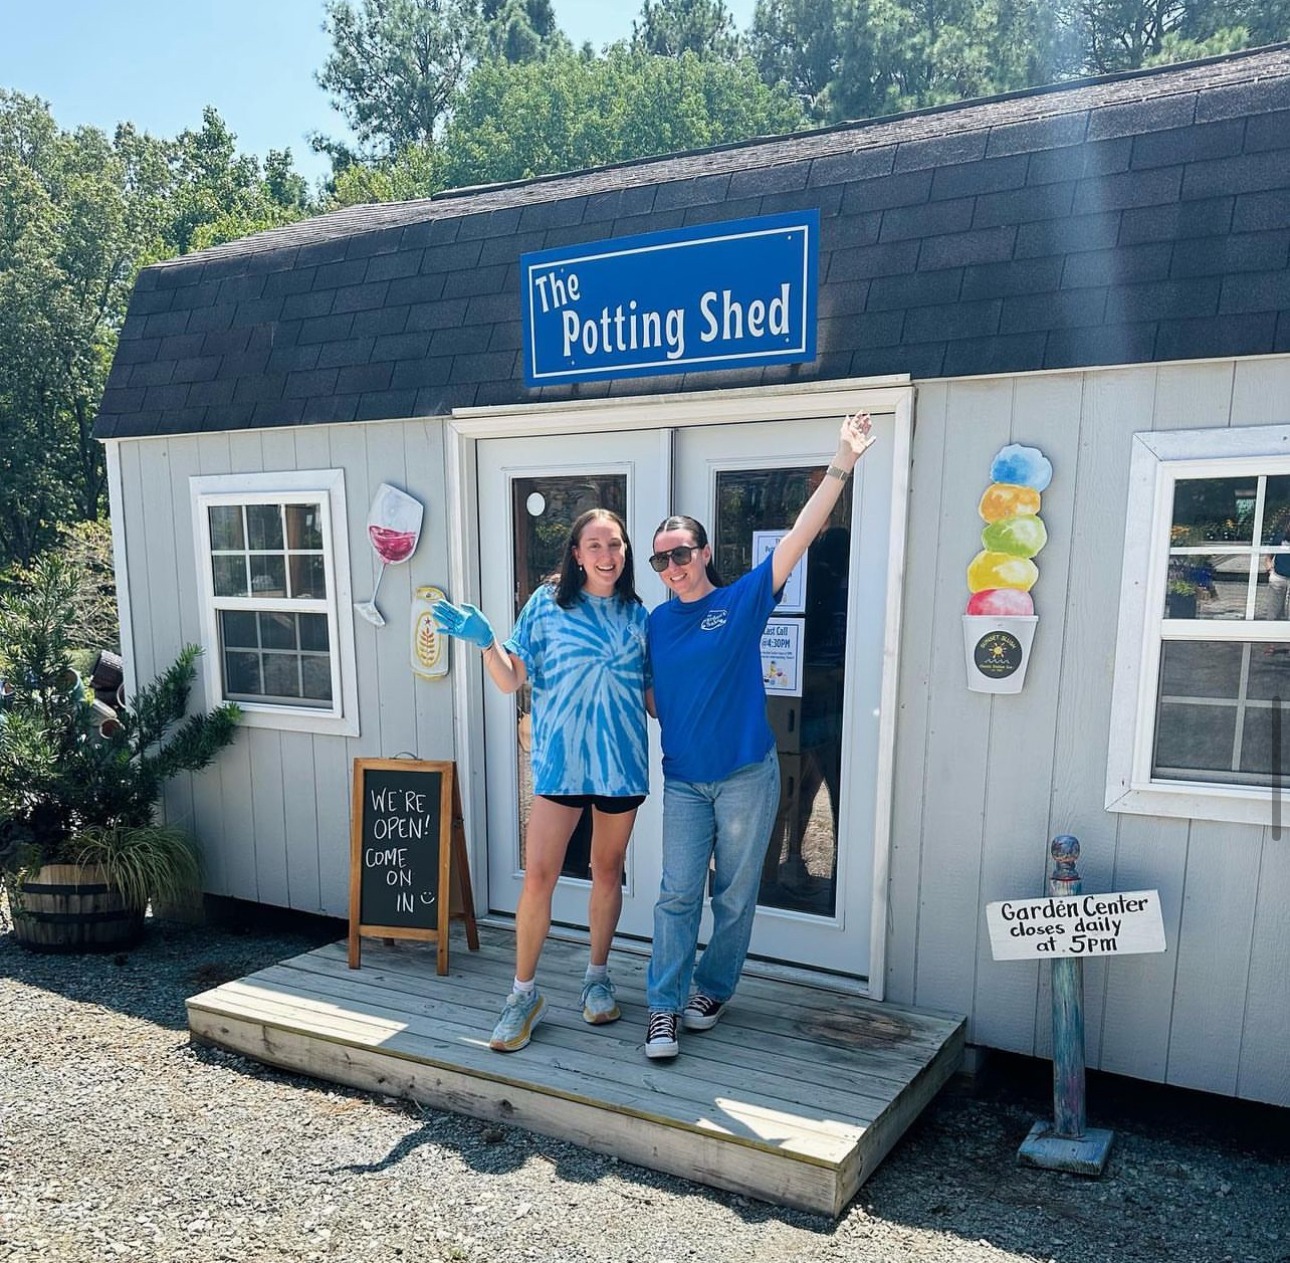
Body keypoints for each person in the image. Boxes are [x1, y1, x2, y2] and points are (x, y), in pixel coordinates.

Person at [642, 412, 876, 1059]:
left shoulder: (741, 600)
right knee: (677, 893)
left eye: (681, 553)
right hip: (686, 780)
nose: (671, 566)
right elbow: (654, 696)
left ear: (704, 551)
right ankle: (662, 1007)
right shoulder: (657, 623)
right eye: (660, 558)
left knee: (735, 893)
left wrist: (842, 461)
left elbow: (800, 535)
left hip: (747, 774)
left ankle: (711, 988)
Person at [431, 509, 652, 1053]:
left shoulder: (639, 615)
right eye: (595, 545)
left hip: (621, 764)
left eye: (615, 545)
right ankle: (523, 994)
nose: (607, 555)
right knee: (540, 878)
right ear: (576, 553)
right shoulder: (548, 605)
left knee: (607, 872)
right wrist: (487, 643)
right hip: (561, 764)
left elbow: (653, 697)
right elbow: (511, 681)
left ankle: (597, 978)